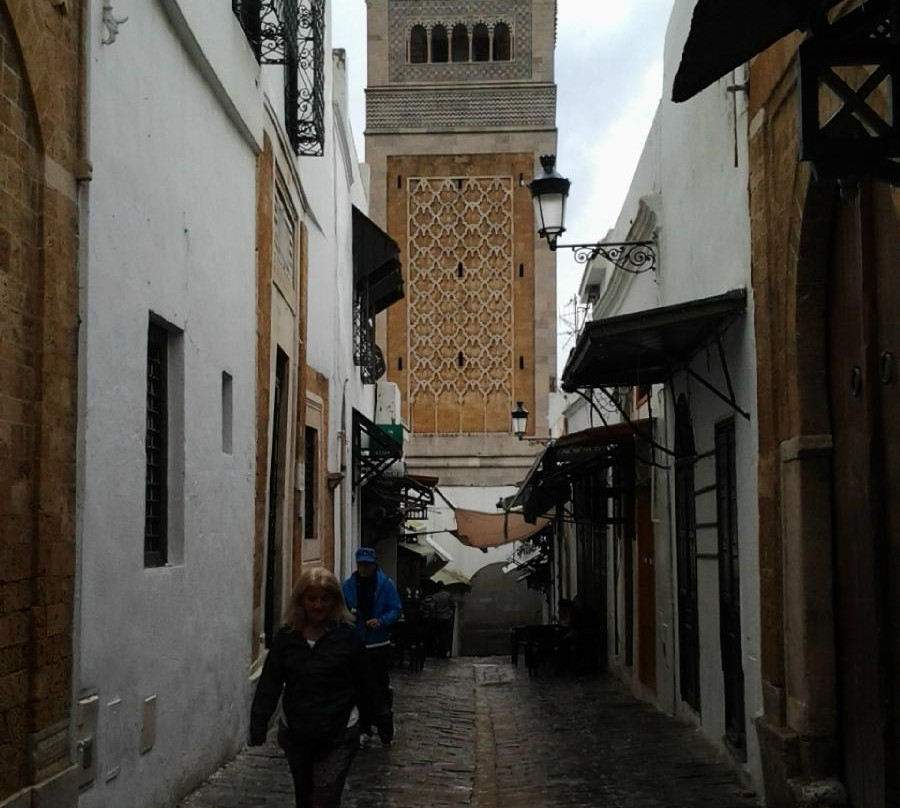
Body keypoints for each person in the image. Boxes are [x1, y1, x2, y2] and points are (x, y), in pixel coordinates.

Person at [249, 566, 391, 808]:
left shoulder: (348, 637)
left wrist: (383, 717)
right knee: (304, 798)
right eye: (312, 599)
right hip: (297, 733)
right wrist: (259, 722)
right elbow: (270, 682)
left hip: (339, 731)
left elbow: (366, 681)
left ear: (335, 601)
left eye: (325, 599)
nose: (318, 605)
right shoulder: (287, 638)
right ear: (301, 600)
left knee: (324, 799)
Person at [342, 546, 403, 745]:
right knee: (357, 686)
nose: (364, 568)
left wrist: (381, 620)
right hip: (358, 643)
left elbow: (396, 609)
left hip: (378, 643)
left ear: (374, 564)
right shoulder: (349, 586)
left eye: (367, 564)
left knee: (379, 685)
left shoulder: (386, 585)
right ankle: (363, 727)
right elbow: (341, 608)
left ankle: (385, 727)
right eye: (361, 564)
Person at [430, 581, 455, 658]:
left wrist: (433, 615)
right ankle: (446, 650)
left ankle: (440, 650)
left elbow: (432, 607)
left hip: (438, 618)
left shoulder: (434, 596)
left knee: (439, 634)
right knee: (446, 634)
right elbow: (452, 605)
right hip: (447, 617)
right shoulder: (448, 595)